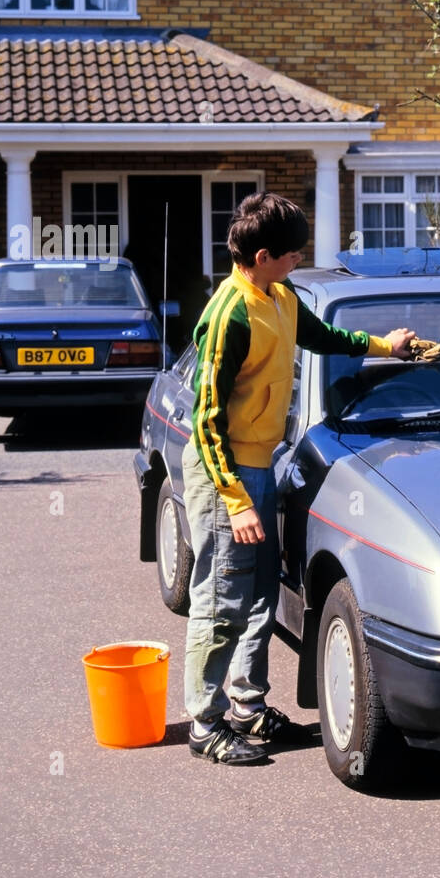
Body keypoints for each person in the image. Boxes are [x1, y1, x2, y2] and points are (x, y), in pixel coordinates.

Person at [183, 192, 414, 764]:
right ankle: (204, 723)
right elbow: (206, 421)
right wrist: (234, 501)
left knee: (259, 593)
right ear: (263, 256)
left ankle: (247, 707)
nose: (297, 262)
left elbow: (326, 338)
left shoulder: (280, 297)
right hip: (225, 476)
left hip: (261, 468)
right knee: (220, 599)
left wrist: (388, 345)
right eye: (291, 255)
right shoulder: (229, 314)